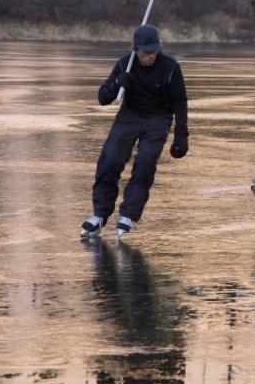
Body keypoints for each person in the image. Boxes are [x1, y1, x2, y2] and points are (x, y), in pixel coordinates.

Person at [80, 25, 188, 238]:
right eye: (146, 51)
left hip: (158, 118)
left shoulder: (170, 67)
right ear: (135, 49)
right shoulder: (124, 64)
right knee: (109, 161)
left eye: (154, 50)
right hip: (129, 116)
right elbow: (103, 98)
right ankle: (100, 214)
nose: (151, 55)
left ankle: (128, 214)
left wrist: (181, 135)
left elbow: (180, 102)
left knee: (145, 163)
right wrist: (117, 84)